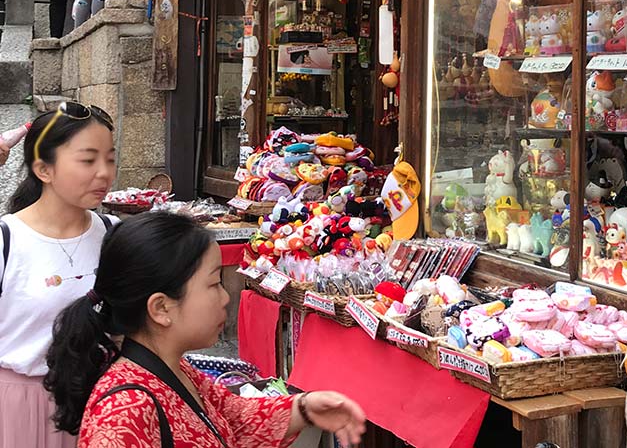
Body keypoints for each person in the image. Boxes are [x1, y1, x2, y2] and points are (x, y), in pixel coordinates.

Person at [45, 213, 367, 447]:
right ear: (161, 308)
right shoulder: (123, 412)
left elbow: (234, 418)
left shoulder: (176, 368)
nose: (226, 297)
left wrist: (305, 408)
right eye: (214, 284)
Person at [0, 103, 117, 448]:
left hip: (98, 404)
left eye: (110, 159)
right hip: (17, 409)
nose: (104, 173)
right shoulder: (7, 240)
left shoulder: (113, 234)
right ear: (43, 169)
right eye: (88, 160)